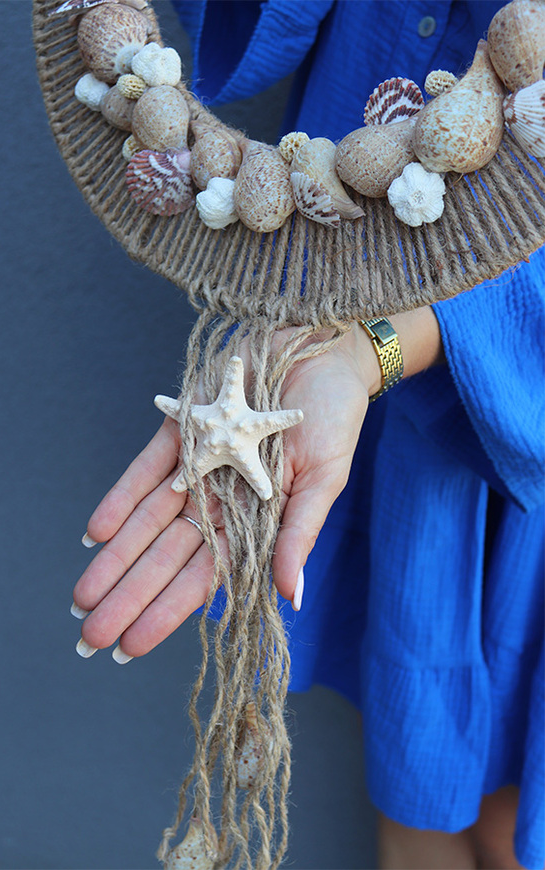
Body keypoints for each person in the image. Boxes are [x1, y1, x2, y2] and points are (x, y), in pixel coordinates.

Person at [72, 2, 545, 868]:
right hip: (337, 351)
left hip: (509, 387)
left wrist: (377, 345)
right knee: (414, 796)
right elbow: (259, 34)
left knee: (513, 826)